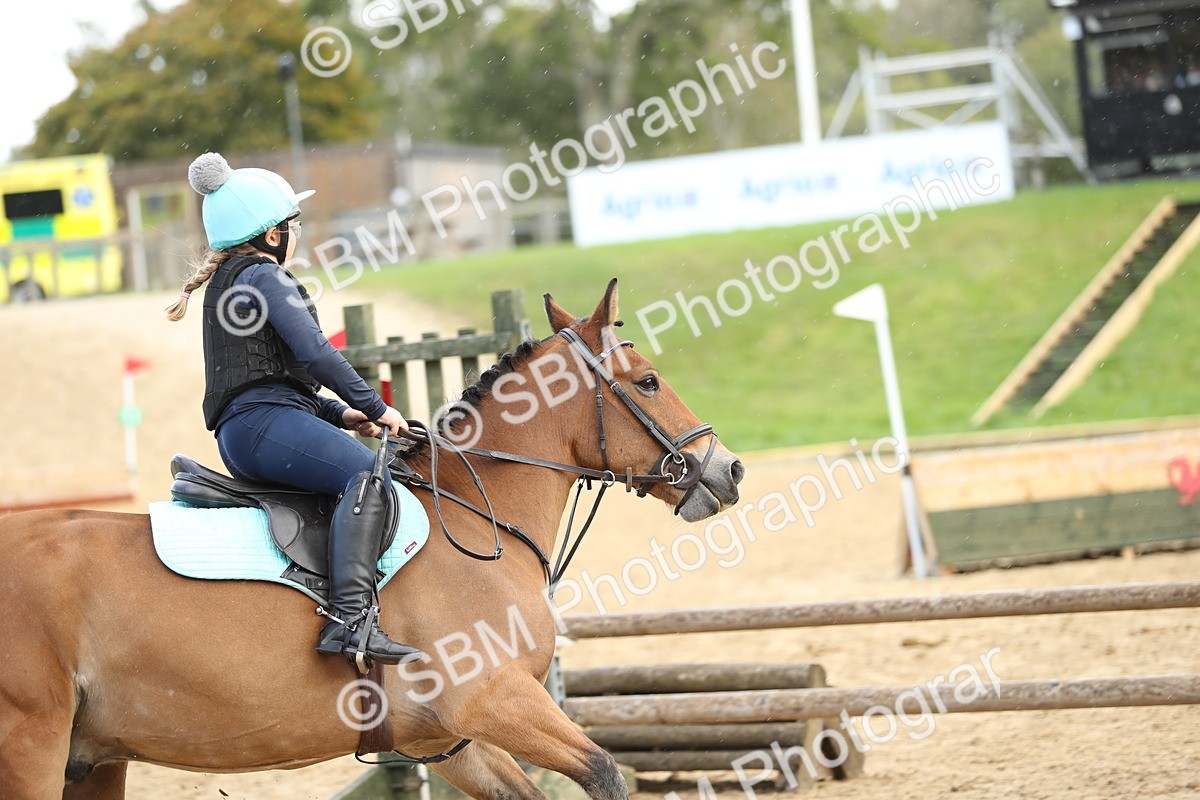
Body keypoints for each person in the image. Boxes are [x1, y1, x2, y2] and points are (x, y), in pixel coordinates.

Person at [167, 152, 420, 665]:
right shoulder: (264, 278)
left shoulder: (235, 280)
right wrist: (376, 405)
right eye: (294, 225)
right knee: (368, 472)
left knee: (356, 464)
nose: (298, 235)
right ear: (273, 235)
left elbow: (272, 379)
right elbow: (315, 355)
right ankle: (351, 620)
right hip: (262, 427)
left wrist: (341, 416)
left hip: (258, 425)